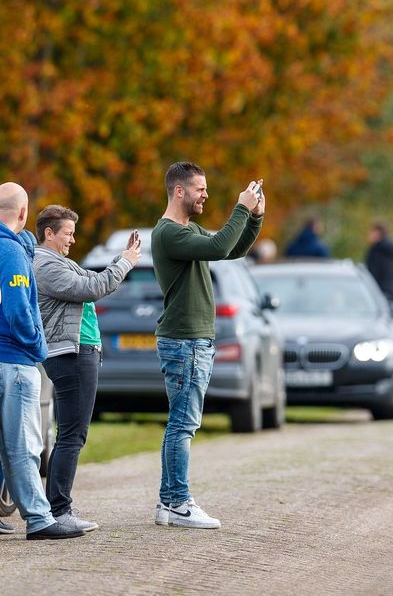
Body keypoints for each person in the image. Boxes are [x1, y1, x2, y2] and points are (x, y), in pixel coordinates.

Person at [0, 182, 84, 540]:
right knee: (25, 444)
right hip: (13, 359)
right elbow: (18, 312)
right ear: (24, 214)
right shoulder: (10, 253)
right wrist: (38, 348)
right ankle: (40, 520)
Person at [151, 161, 264, 529]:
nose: (206, 195)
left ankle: (168, 503)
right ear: (179, 191)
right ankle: (180, 502)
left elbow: (230, 250)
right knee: (183, 425)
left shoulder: (188, 230)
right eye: (200, 189)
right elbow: (218, 245)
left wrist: (254, 218)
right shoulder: (169, 233)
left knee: (181, 423)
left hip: (194, 341)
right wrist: (241, 208)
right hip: (185, 341)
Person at [33, 205, 142, 533]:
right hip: (69, 355)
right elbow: (92, 289)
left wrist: (119, 262)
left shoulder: (58, 262)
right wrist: (125, 263)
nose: (73, 239)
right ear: (49, 233)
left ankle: (57, 508)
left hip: (79, 353)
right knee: (71, 435)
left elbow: (94, 280)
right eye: (67, 233)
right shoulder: (45, 265)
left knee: (70, 433)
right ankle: (58, 511)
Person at [365, 220, 393, 302]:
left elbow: (371, 276)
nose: (368, 235)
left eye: (371, 232)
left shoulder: (375, 252)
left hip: (377, 297)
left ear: (377, 233)